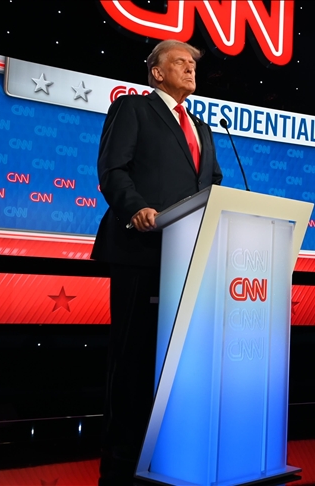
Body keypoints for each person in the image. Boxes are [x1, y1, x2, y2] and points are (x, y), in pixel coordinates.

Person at [91, 39, 222, 486]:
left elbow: (212, 182)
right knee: (132, 357)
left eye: (193, 64)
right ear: (157, 72)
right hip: (141, 249)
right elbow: (113, 169)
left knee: (175, 359)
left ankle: (166, 446)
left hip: (187, 257)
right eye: (180, 62)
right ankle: (122, 457)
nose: (190, 68)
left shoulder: (202, 127)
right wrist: (136, 209)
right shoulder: (133, 109)